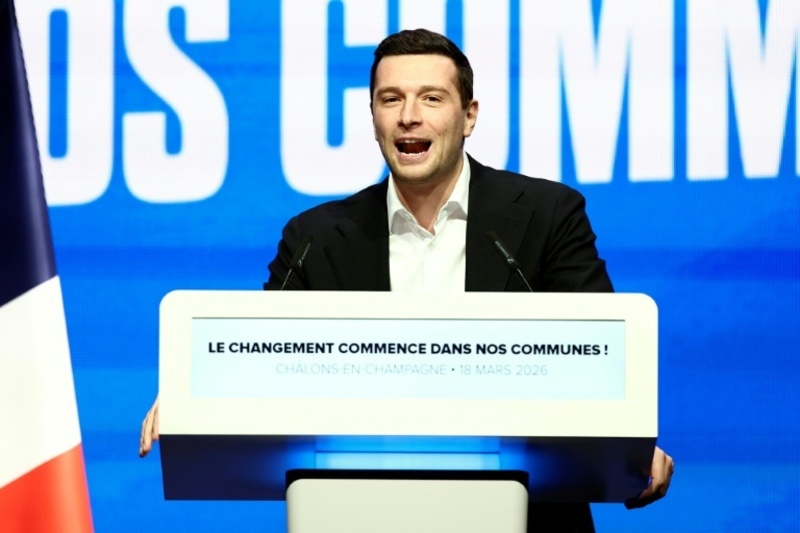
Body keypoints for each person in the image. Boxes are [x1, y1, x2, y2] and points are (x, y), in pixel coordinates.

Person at [140, 28, 673, 531]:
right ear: (372, 115)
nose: (408, 117)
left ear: (469, 116)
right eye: (390, 99)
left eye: (431, 99)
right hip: (358, 512)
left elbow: (600, 363)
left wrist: (628, 449)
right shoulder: (316, 237)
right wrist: (195, 395)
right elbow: (260, 358)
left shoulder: (546, 215)